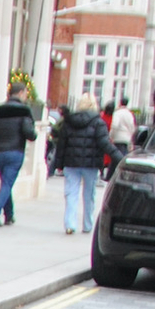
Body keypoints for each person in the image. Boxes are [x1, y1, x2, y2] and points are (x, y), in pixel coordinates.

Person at [0, 84, 37, 227]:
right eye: (25, 93)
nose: (25, 96)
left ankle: (9, 215)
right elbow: (29, 133)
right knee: (7, 183)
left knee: (6, 183)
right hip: (15, 151)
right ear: (20, 93)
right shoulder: (24, 111)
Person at [54, 94, 109, 234]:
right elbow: (104, 144)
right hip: (91, 163)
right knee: (89, 194)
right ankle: (87, 224)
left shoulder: (69, 121)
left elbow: (62, 144)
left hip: (71, 162)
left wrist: (58, 163)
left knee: (71, 193)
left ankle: (70, 224)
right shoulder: (98, 122)